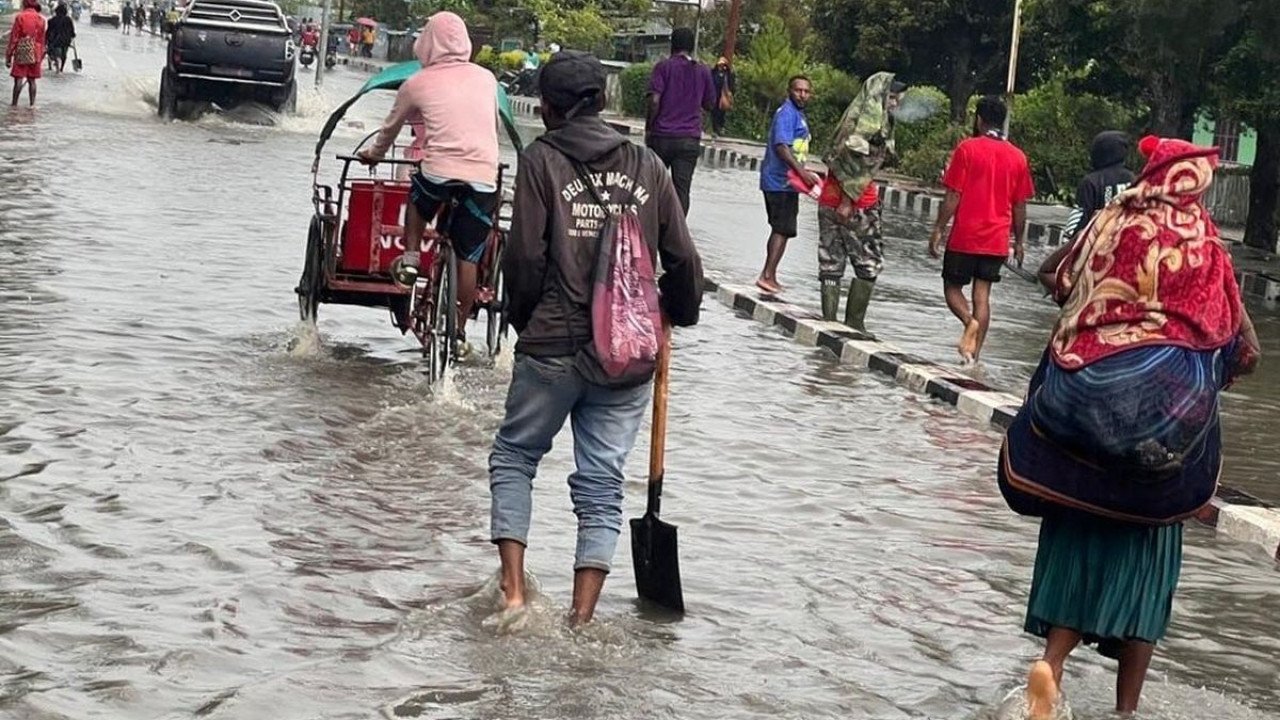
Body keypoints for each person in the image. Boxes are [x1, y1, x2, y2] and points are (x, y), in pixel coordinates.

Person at [1001, 136, 1261, 718]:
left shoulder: (1111, 220)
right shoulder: (1205, 244)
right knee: (1146, 577)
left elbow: (1057, 277)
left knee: (1074, 552)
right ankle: (1125, 711)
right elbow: (1244, 350)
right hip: (1160, 459)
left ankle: (1052, 668)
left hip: (1081, 436)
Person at [491, 50, 703, 626]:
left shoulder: (540, 160)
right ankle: (580, 621)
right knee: (601, 485)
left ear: (549, 107)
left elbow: (526, 257)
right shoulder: (650, 167)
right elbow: (683, 259)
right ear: (604, 101)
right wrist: (677, 317)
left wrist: (524, 320)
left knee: (514, 457)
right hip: (629, 358)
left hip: (552, 347)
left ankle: (513, 595)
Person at [356, 12, 499, 354]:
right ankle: (460, 332)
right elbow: (492, 125)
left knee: (418, 199)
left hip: (438, 171)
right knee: (468, 258)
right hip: (483, 175)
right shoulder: (487, 78)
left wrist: (374, 155)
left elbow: (389, 130)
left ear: (427, 43)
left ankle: (409, 258)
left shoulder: (417, 83)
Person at [927, 96, 1034, 363]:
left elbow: (953, 195)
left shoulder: (967, 149)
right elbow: (1020, 206)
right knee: (982, 297)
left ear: (979, 120)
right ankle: (973, 356)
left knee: (952, 288)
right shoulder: (1018, 157)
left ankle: (968, 323)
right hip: (997, 240)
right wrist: (1019, 242)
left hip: (966, 236)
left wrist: (938, 229)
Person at [816, 72, 906, 331]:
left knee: (831, 262)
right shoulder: (869, 126)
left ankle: (829, 324)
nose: (894, 104)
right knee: (869, 265)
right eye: (890, 97)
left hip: (829, 200)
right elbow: (856, 158)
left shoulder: (852, 118)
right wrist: (847, 200)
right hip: (856, 204)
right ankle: (855, 326)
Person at [644, 27, 715, 216]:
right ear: (692, 47)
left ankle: (650, 227)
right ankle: (677, 234)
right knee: (682, 190)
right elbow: (709, 104)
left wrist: (649, 129)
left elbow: (654, 101)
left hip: (662, 136)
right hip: (689, 139)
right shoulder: (703, 71)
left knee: (652, 185)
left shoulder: (663, 67)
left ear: (672, 45)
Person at [756, 75, 817, 294]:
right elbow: (782, 147)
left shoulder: (798, 115)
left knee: (781, 229)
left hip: (790, 182)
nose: (802, 95)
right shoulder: (787, 114)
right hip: (779, 181)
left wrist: (806, 173)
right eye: (798, 90)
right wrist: (802, 172)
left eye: (806, 91)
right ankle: (767, 275)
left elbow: (797, 149)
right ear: (789, 91)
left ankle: (770, 274)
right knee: (782, 228)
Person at [1062, 131, 1135, 241]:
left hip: (1097, 243)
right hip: (1126, 241)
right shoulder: (1134, 178)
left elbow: (1079, 216)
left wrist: (1067, 241)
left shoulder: (1091, 181)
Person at [6, 0, 46, 107]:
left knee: (19, 79)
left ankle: (14, 104)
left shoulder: (20, 17)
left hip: (23, 49)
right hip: (36, 51)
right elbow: (42, 40)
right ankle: (32, 105)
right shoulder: (41, 19)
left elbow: (14, 38)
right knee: (32, 80)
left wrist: (9, 55)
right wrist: (41, 55)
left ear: (24, 4)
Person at [44, 2, 73, 74]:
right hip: (66, 40)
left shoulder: (51, 20)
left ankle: (57, 68)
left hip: (55, 41)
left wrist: (45, 39)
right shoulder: (68, 20)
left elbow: (48, 31)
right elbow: (72, 30)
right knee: (64, 55)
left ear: (56, 12)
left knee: (55, 54)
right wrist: (72, 35)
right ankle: (61, 68)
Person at [709, 56, 734, 138]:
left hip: (723, 96)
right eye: (720, 65)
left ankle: (720, 128)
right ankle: (715, 130)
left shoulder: (727, 75)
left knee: (721, 113)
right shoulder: (713, 73)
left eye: (723, 65)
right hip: (715, 95)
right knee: (714, 113)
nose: (721, 67)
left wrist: (729, 93)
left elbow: (730, 86)